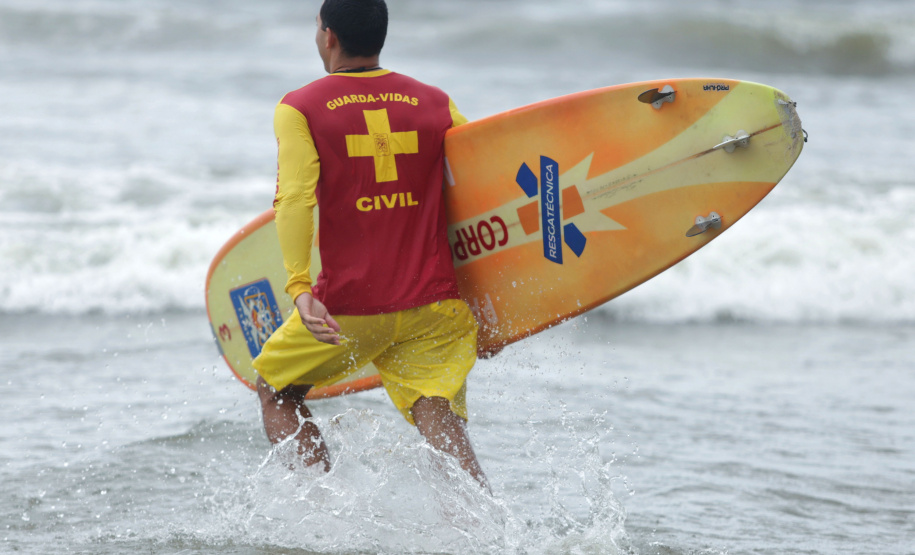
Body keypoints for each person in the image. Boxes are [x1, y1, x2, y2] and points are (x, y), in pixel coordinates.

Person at [251, 0, 487, 488]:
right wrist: (498, 312)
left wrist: (299, 286)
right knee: (435, 411)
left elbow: (293, 199)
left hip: (352, 306)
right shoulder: (436, 102)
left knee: (276, 390)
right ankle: (487, 527)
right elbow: (482, 190)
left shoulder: (301, 107)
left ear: (329, 36)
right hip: (435, 305)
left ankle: (324, 515)